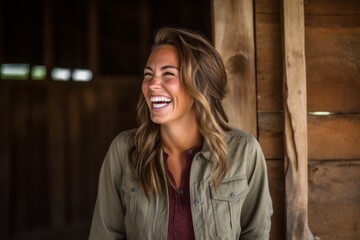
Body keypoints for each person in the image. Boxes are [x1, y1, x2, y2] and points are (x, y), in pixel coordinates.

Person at [89, 27, 272, 240]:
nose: (152, 84)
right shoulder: (123, 151)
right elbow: (105, 235)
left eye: (168, 74)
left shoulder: (244, 152)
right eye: (148, 74)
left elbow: (256, 234)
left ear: (200, 85)